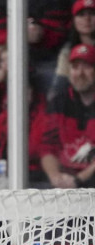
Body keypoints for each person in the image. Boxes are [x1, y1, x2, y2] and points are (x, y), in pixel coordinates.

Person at [40, 43, 95, 188]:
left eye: (87, 67)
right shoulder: (59, 102)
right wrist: (55, 177)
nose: (80, 73)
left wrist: (79, 179)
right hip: (66, 182)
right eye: (75, 67)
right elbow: (47, 147)